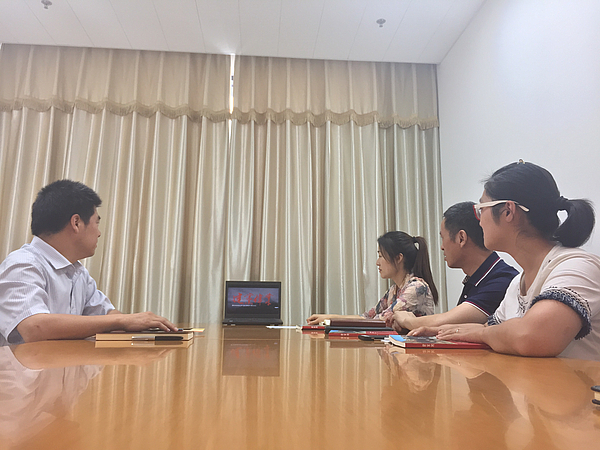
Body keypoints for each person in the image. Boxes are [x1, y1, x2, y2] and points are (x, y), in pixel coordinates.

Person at [412, 161, 600, 360]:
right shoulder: (516, 284)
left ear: (508, 211)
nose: (479, 220)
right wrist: (445, 333)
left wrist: (481, 333)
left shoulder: (578, 266)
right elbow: (493, 330)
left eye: (481, 209)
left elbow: (532, 337)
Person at [0, 180, 178, 345]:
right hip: (27, 370)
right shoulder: (23, 264)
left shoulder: (78, 272)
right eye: (96, 223)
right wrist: (122, 321)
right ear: (76, 223)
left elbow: (107, 315)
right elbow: (34, 327)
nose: (99, 233)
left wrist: (139, 325)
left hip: (67, 366)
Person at [391, 202, 518, 332]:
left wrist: (407, 320)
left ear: (461, 238)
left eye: (443, 238)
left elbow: (445, 321)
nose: (442, 247)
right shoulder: (478, 278)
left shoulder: (502, 280)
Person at [306, 231, 438, 325]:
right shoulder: (394, 290)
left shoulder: (416, 288)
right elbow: (368, 316)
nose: (377, 262)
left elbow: (377, 321)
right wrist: (329, 317)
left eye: (381, 256)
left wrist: (331, 320)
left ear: (398, 258)